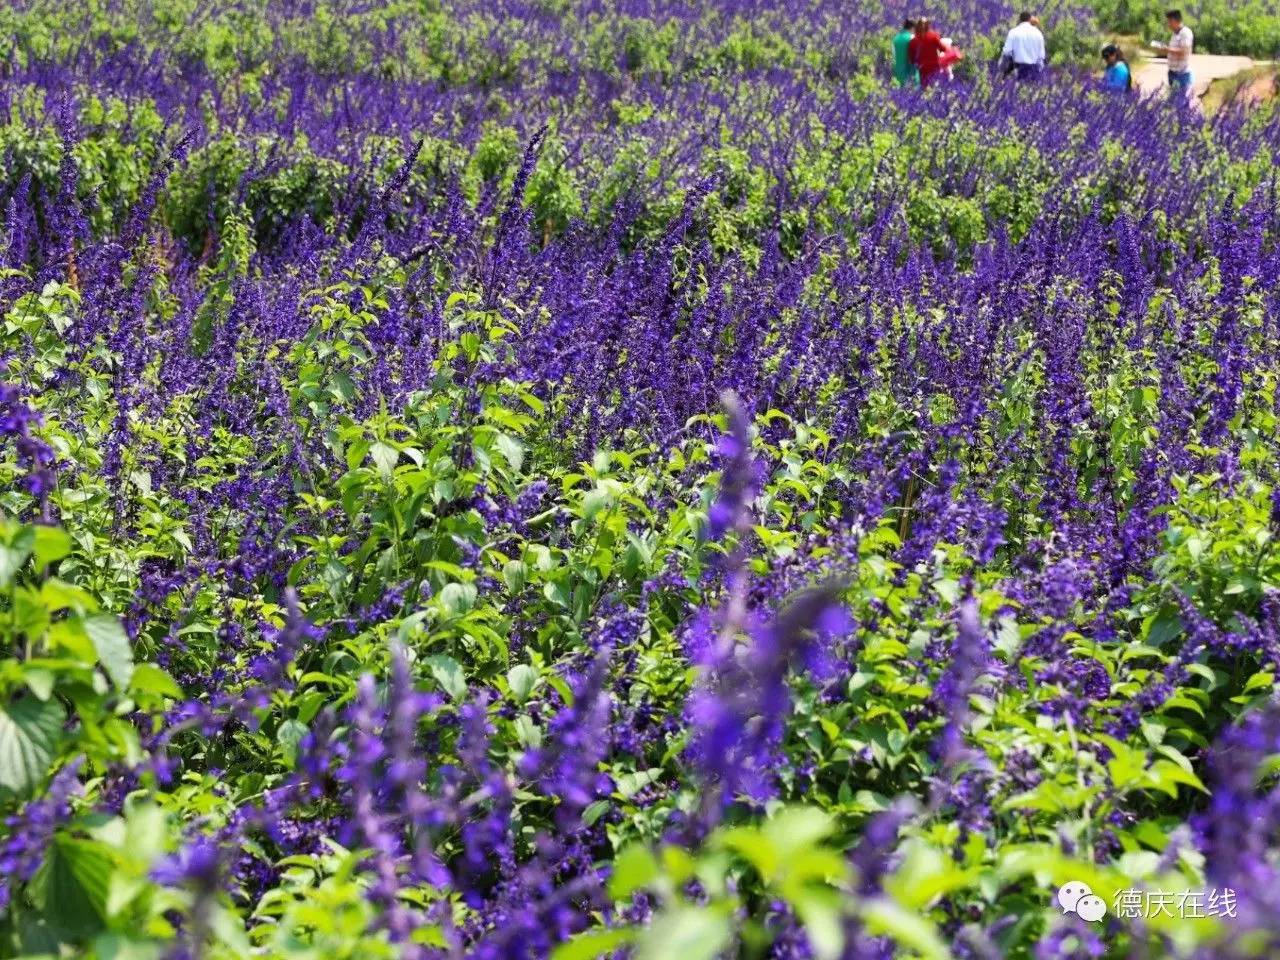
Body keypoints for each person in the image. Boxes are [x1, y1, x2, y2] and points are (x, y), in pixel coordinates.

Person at [1152, 9, 1193, 100]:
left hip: (1182, 74)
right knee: (1173, 102)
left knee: (1182, 102)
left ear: (1176, 21)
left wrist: (1167, 49)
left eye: (1170, 21)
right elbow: (1173, 50)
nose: (1169, 24)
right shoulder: (1175, 34)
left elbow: (1184, 52)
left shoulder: (1185, 33)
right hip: (1172, 73)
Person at [1001, 11, 1046, 80]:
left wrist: (1003, 71)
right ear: (1029, 19)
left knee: (1018, 89)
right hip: (1034, 69)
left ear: (1020, 20)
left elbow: (1006, 53)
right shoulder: (1038, 33)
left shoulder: (1013, 32)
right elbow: (1041, 57)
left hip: (1018, 69)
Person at [908, 18, 949, 88]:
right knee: (935, 86)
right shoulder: (933, 36)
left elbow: (911, 59)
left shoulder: (913, 41)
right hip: (934, 66)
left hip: (923, 68)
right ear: (928, 26)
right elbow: (943, 49)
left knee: (925, 87)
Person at [892, 18, 919, 86]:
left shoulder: (895, 39)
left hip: (899, 72)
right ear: (912, 28)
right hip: (911, 72)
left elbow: (894, 56)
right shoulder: (912, 38)